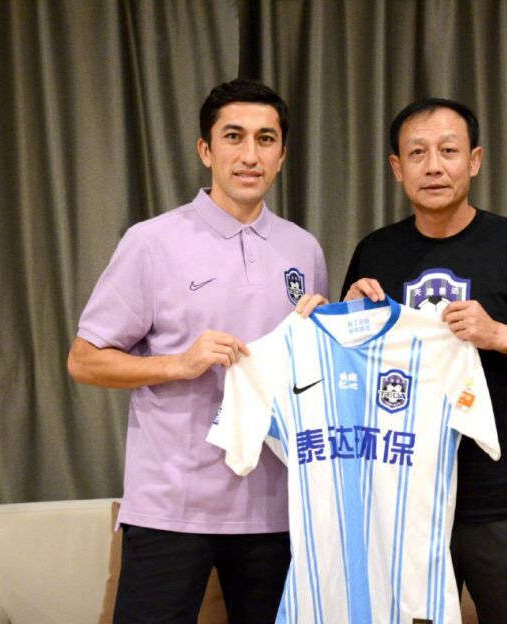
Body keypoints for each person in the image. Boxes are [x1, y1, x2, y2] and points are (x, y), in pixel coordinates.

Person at [68, 78, 328, 624]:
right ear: (205, 150)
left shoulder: (303, 249)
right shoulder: (151, 241)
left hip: (278, 509)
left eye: (265, 139)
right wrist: (179, 363)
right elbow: (84, 360)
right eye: (234, 137)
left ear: (282, 155)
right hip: (171, 507)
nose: (250, 155)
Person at [340, 98, 507, 623]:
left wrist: (503, 336)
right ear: (397, 168)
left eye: (449, 151)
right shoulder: (375, 252)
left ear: (474, 160)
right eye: (417, 153)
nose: (433, 166)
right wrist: (348, 321)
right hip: (404, 499)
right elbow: (349, 376)